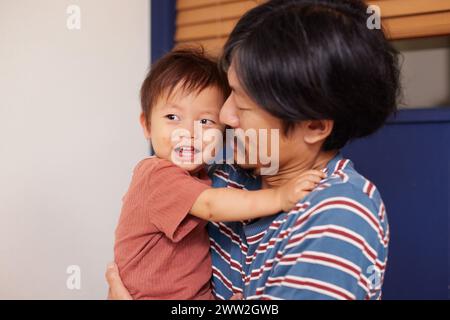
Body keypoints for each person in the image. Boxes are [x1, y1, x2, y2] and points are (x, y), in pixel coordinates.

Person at [107, 0, 400, 300]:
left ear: (313, 126)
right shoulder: (222, 175)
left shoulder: (339, 213)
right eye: (230, 92)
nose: (225, 116)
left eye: (243, 105)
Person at [114, 48, 325, 300]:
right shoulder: (158, 174)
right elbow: (212, 205)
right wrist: (280, 198)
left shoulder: (205, 173)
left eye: (205, 121)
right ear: (147, 125)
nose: (189, 132)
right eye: (172, 117)